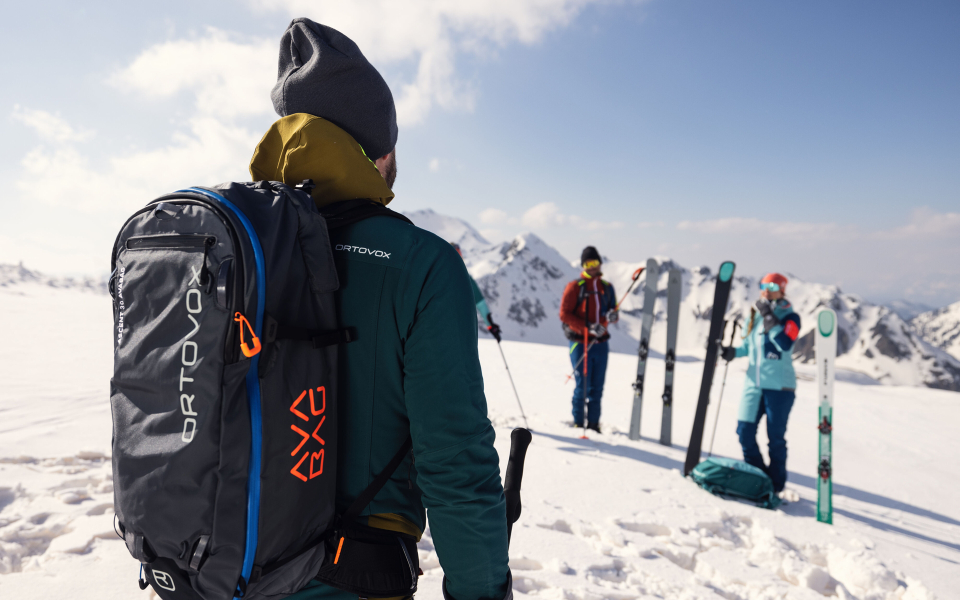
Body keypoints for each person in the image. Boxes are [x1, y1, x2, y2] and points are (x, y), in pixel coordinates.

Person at [249, 19, 511, 600]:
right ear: (380, 150)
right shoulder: (420, 265)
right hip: (348, 576)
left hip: (213, 567)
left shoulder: (235, 245)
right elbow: (455, 461)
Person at [720, 272, 801, 493]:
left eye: (773, 285)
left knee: (775, 438)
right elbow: (749, 346)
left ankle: (775, 485)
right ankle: (758, 478)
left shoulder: (791, 318)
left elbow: (784, 343)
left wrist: (769, 319)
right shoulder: (755, 316)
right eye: (763, 284)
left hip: (780, 387)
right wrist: (731, 352)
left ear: (782, 289)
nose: (766, 289)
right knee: (744, 431)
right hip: (752, 384)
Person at [559, 247, 617, 432]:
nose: (592, 267)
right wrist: (589, 327)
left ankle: (593, 425)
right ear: (583, 266)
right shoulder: (575, 287)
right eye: (588, 264)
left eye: (595, 263)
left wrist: (613, 317)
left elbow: (612, 310)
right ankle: (578, 423)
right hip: (580, 343)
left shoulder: (607, 288)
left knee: (597, 388)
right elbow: (564, 314)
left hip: (601, 344)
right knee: (582, 386)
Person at [451, 242, 503, 342]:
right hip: (458, 333)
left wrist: (490, 326)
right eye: (457, 252)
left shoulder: (435, 274)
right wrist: (491, 326)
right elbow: (481, 304)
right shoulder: (464, 277)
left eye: (459, 252)